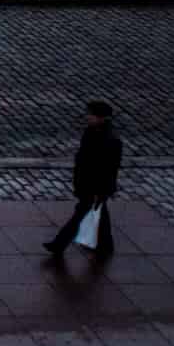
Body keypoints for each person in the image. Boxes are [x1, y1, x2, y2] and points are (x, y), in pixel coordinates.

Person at [47, 100, 122, 260]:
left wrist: (99, 191)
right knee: (100, 214)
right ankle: (105, 245)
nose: (88, 117)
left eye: (91, 114)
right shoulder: (92, 131)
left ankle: (59, 243)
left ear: (102, 118)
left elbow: (107, 169)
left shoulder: (109, 140)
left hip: (96, 186)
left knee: (80, 214)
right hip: (88, 182)